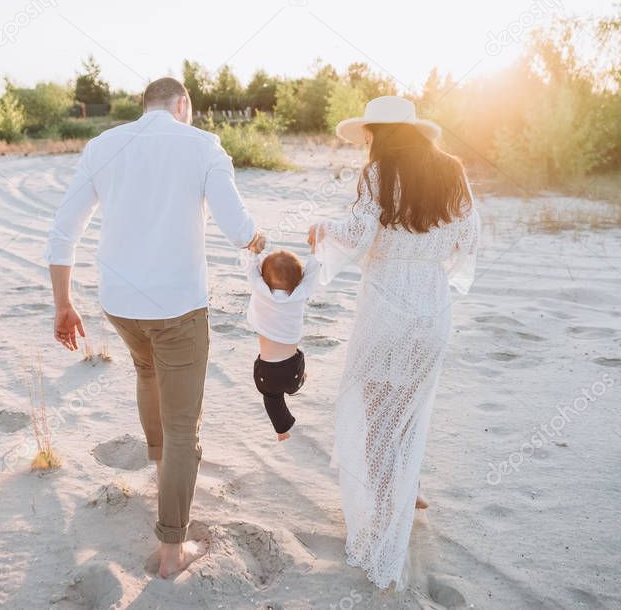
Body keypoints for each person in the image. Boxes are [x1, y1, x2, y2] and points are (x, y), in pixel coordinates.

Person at [45, 77, 265, 578]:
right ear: (183, 104)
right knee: (184, 422)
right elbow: (237, 228)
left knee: (147, 376)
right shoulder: (202, 144)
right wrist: (258, 240)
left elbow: (64, 230)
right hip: (178, 307)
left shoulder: (103, 144)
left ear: (145, 105)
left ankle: (164, 472)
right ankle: (172, 551)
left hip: (120, 306)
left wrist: (63, 304)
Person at [309, 96, 480, 590]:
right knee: (411, 402)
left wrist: (322, 230)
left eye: (368, 134)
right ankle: (411, 488)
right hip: (431, 304)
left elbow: (359, 235)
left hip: (385, 301)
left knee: (380, 409)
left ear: (379, 134)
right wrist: (427, 259)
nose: (364, 142)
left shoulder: (378, 173)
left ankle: (386, 514)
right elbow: (468, 239)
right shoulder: (452, 170)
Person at [244, 249, 320, 440]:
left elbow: (251, 271)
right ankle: (299, 382)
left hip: (266, 374)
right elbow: (313, 274)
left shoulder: (261, 292)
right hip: (291, 372)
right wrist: (315, 251)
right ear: (298, 282)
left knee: (272, 399)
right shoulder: (299, 294)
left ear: (264, 280)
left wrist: (254, 252)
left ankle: (282, 431)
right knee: (298, 356)